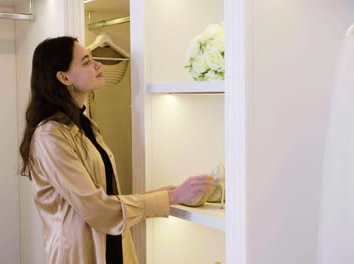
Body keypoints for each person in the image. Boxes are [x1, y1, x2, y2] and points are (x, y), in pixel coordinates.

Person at [19, 36, 215, 264]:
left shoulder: (85, 126)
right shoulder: (50, 135)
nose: (97, 64)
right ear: (64, 77)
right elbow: (97, 208)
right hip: (76, 255)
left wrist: (163, 195)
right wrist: (172, 196)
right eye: (85, 62)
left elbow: (106, 198)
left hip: (110, 248)